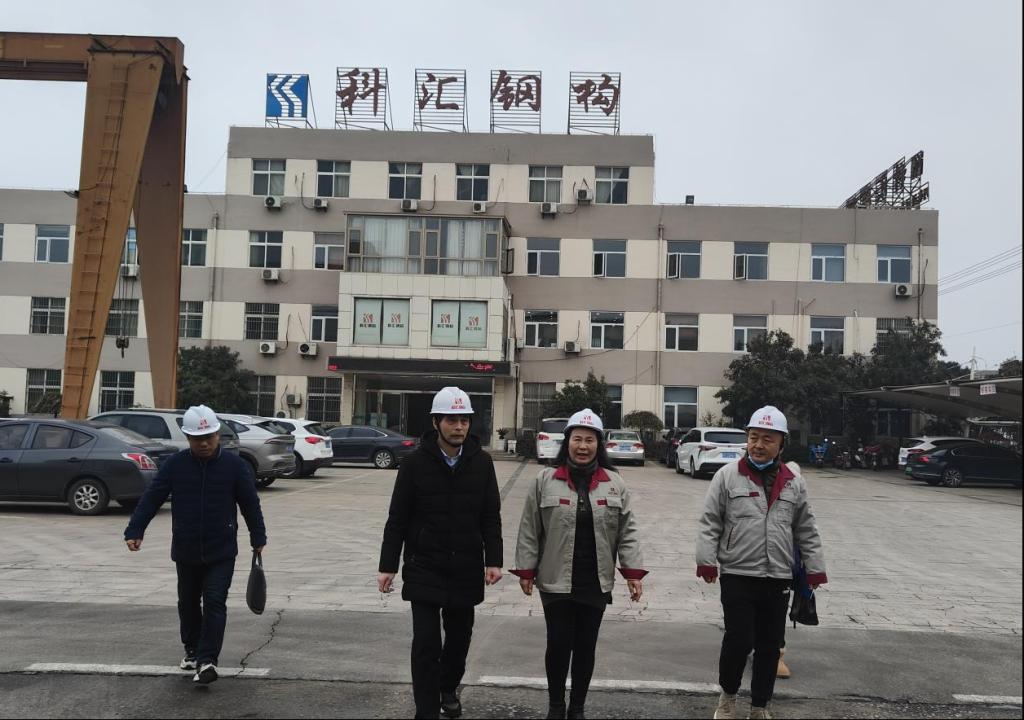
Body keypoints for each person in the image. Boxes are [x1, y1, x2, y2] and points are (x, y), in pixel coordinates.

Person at [512, 408, 647, 720]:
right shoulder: (545, 480)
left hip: (594, 581)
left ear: (598, 444)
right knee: (558, 643)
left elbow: (627, 531)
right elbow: (530, 528)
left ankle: (577, 708)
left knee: (586, 646)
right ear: (567, 442)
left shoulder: (614, 483)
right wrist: (526, 569)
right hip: (555, 578)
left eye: (589, 440)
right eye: (577, 439)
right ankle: (556, 706)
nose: (583, 446)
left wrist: (633, 572)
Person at [378, 387, 503, 719]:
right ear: (436, 422)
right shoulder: (414, 464)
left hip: (466, 566)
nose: (459, 427)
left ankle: (447, 687)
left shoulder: (482, 462)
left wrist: (494, 560)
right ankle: (426, 709)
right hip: (424, 565)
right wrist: (388, 565)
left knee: (459, 640)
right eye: (451, 420)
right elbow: (397, 517)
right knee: (426, 643)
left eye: (464, 420)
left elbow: (490, 515)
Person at [696, 406, 827, 720]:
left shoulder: (793, 481)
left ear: (781, 444)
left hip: (778, 575)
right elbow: (710, 520)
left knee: (769, 646)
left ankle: (759, 706)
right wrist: (706, 561)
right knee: (738, 640)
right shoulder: (728, 476)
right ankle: (727, 699)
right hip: (737, 572)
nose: (758, 444)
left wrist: (815, 569)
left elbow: (806, 527)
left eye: (767, 439)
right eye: (753, 437)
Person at [124, 405, 267, 685]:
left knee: (214, 601)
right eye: (197, 439)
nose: (203, 443)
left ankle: (207, 661)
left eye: (209, 437)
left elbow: (250, 504)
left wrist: (258, 536)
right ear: (188, 438)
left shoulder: (234, 466)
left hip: (221, 549)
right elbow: (153, 497)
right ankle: (192, 650)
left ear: (217, 435)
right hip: (186, 548)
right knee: (188, 603)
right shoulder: (175, 465)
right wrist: (136, 529)